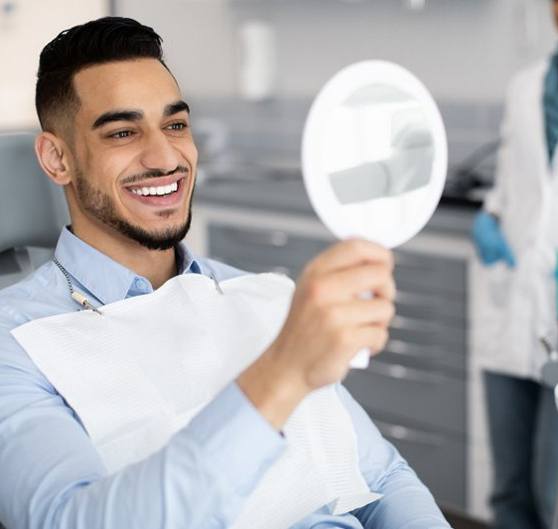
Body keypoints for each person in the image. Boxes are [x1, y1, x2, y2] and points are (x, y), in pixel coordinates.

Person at [0, 17, 451, 529]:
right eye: (123, 132)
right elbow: (71, 520)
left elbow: (383, 478)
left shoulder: (261, 295)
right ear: (56, 158)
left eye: (175, 125)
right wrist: (281, 372)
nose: (165, 156)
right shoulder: (14, 345)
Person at [472, 2, 558, 528]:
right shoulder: (526, 86)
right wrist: (489, 218)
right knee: (508, 493)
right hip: (512, 305)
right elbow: (511, 190)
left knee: (553, 498)